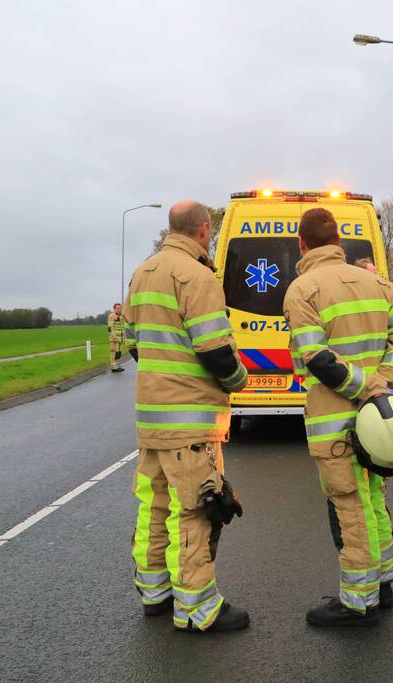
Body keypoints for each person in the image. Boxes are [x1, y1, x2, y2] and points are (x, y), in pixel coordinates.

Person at [123, 200, 250, 632]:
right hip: (191, 422)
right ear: (203, 230)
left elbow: (133, 343)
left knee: (153, 505)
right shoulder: (198, 276)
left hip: (151, 418)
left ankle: (155, 592)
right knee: (197, 509)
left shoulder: (142, 273)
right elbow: (215, 348)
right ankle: (197, 609)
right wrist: (239, 380)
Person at [283, 208, 393, 627]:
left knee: (349, 508)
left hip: (337, 423)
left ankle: (358, 602)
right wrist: (384, 382)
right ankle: (383, 584)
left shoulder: (302, 289)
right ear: (338, 240)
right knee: (374, 499)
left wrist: (363, 388)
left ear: (302, 244)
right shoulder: (382, 285)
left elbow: (317, 358)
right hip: (381, 418)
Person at [107, 303, 126, 373]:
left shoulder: (121, 316)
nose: (119, 309)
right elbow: (110, 328)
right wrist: (114, 337)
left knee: (118, 353)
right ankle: (113, 367)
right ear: (114, 309)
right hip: (114, 339)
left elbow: (122, 327)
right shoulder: (111, 316)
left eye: (120, 308)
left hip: (120, 338)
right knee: (114, 352)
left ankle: (117, 366)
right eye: (118, 308)